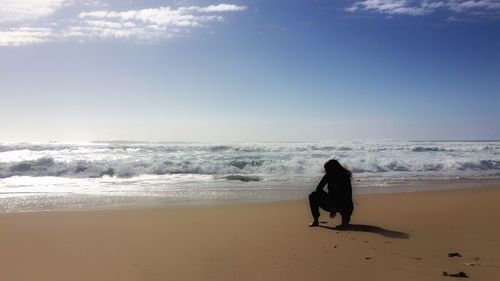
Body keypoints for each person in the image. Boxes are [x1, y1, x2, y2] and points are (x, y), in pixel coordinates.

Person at [308, 159, 353, 228]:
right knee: (313, 195)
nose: (325, 171)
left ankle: (316, 221)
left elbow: (318, 189)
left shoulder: (331, 175)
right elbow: (348, 194)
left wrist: (328, 198)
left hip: (339, 204)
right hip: (344, 205)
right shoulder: (344, 175)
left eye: (326, 169)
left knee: (313, 195)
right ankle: (345, 221)